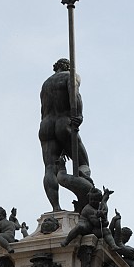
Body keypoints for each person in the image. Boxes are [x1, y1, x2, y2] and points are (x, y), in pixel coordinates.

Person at [39, 58, 94, 213]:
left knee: (50, 168)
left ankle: (55, 208)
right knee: (82, 158)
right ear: (68, 66)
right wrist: (79, 115)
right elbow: (74, 95)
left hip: (46, 125)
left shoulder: (45, 84)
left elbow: (43, 109)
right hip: (64, 121)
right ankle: (85, 181)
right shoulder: (70, 75)